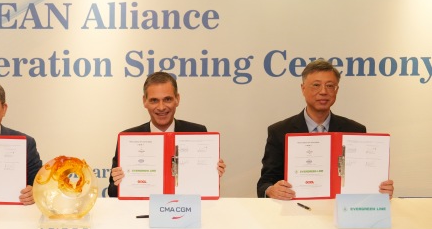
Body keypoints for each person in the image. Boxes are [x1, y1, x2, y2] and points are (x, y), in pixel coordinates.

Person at [257, 59, 394, 199]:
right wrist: (271, 190)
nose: (323, 92)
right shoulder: (279, 131)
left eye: (329, 86)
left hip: (340, 208)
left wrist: (380, 191)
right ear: (303, 89)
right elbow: (264, 183)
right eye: (316, 85)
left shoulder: (355, 130)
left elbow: (362, 178)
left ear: (336, 90)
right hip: (296, 209)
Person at [107, 72, 226, 197]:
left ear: (177, 99)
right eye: (154, 100)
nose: (161, 107)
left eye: (167, 99)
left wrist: (213, 174)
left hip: (184, 207)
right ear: (144, 101)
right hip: (142, 208)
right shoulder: (128, 138)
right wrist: (118, 183)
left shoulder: (198, 133)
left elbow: (207, 190)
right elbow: (112, 192)